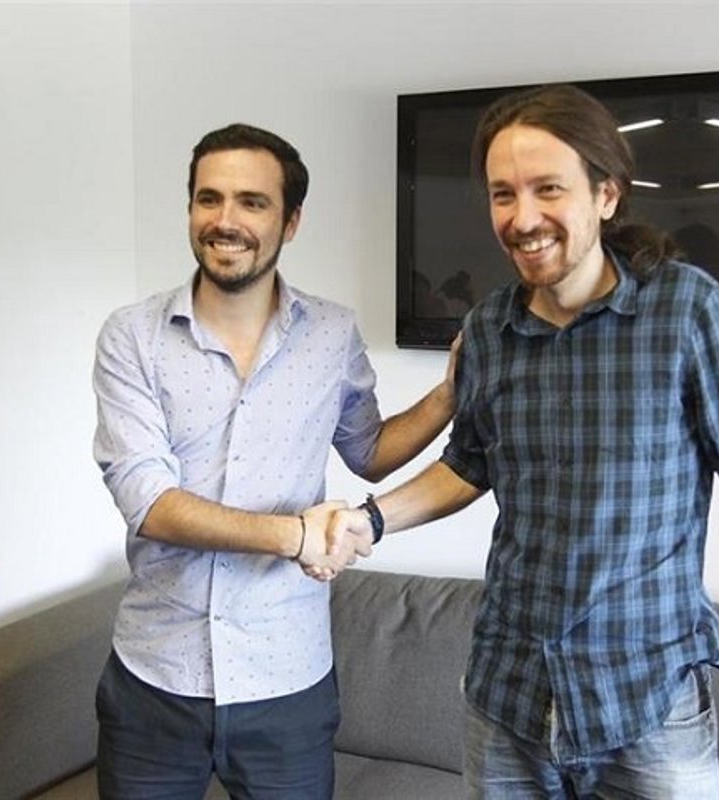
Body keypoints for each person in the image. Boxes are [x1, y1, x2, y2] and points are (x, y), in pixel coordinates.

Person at [325, 85, 719, 798]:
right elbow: (469, 466)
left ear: (606, 195)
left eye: (547, 189)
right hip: (509, 696)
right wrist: (370, 521)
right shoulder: (489, 328)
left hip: (648, 703)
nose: (522, 218)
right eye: (503, 194)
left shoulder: (687, 310)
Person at [91, 122, 457, 799]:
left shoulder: (332, 333)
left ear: (290, 221)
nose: (225, 221)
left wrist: (447, 396)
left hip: (287, 683)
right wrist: (296, 536)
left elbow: (370, 452)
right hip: (154, 682)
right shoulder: (132, 336)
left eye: (252, 202)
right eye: (209, 199)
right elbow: (149, 501)